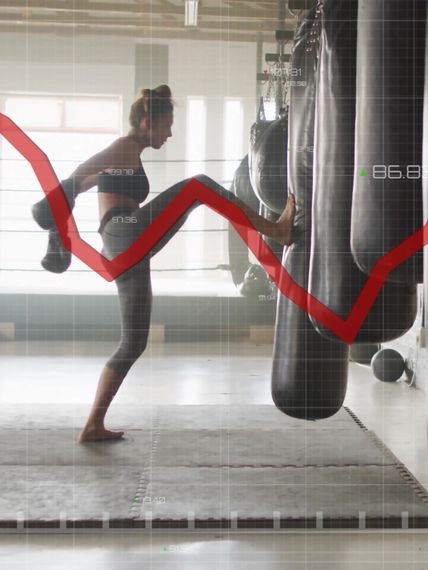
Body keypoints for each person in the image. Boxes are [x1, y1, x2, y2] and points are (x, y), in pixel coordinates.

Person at [31, 85, 295, 442]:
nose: (169, 134)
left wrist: (61, 225)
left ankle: (92, 424)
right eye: (166, 125)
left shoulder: (128, 157)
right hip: (125, 231)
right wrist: (55, 227)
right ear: (147, 122)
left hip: (124, 248)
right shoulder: (124, 146)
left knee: (133, 343)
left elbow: (85, 184)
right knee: (198, 186)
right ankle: (275, 230)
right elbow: (76, 177)